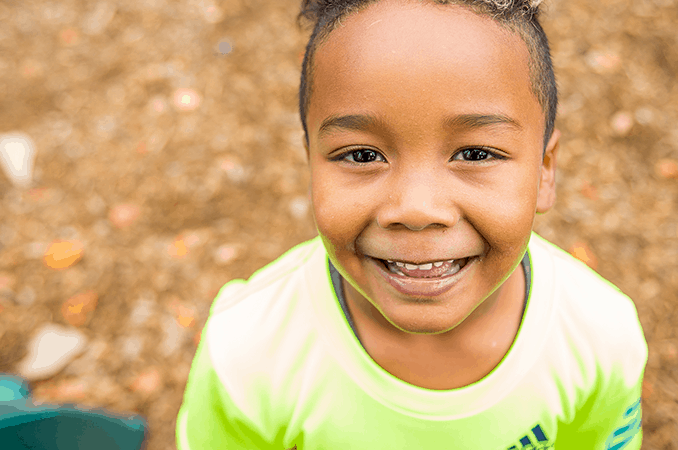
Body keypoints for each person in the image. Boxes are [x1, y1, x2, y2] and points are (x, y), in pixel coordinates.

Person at [176, 0, 648, 448]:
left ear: (545, 170)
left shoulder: (603, 341)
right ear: (310, 164)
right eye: (362, 155)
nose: (417, 209)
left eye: (475, 153)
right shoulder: (246, 355)